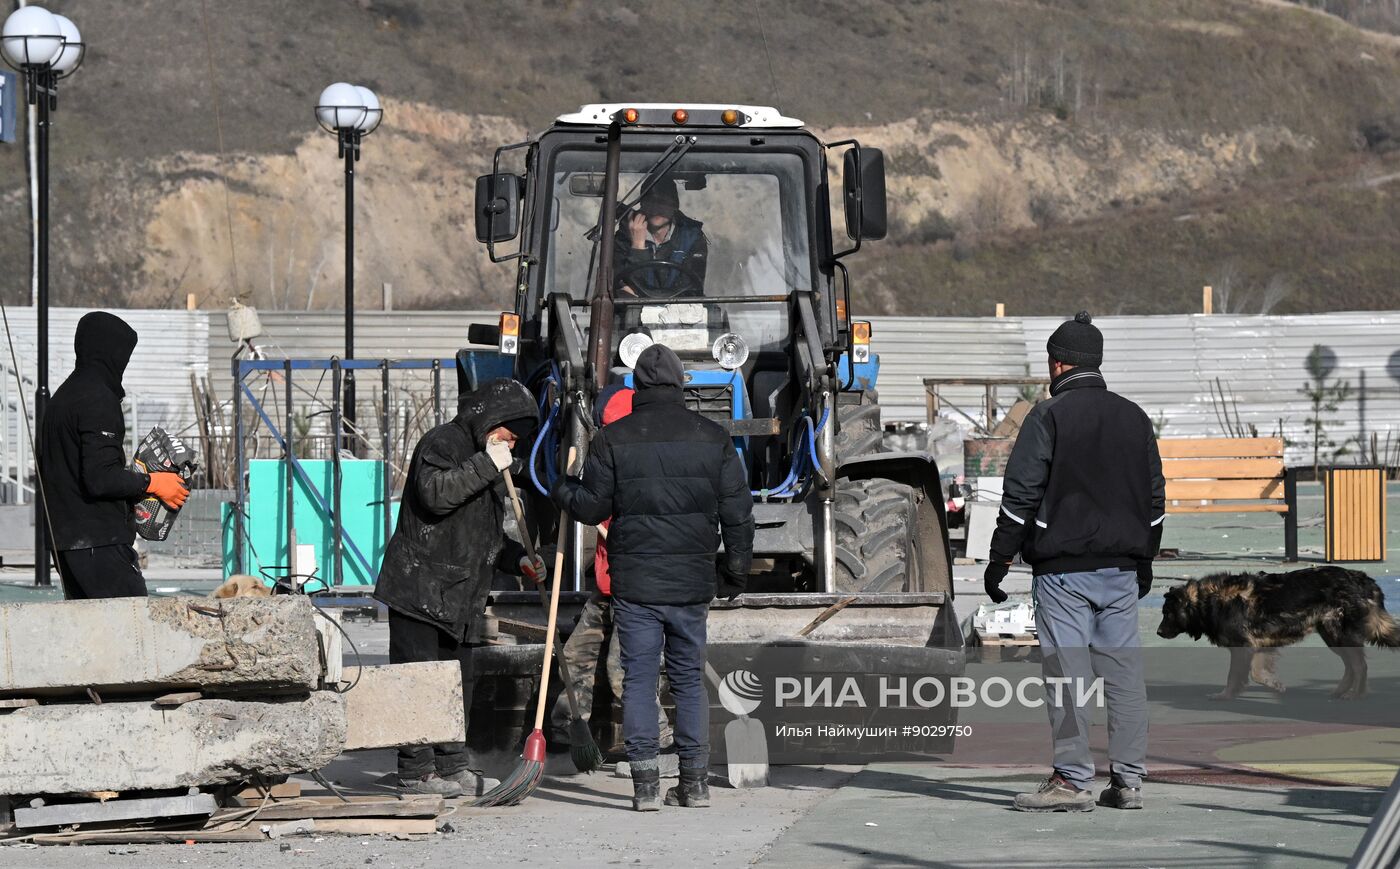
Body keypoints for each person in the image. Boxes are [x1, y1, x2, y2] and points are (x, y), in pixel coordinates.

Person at [552, 344, 753, 812]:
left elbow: (592, 507)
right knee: (686, 681)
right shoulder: (713, 437)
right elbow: (739, 515)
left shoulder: (613, 439)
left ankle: (645, 788)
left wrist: (562, 488)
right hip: (691, 584)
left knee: (639, 678)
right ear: (682, 384)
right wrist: (734, 573)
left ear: (636, 387)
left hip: (637, 584)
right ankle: (695, 784)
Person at [984, 311, 1165, 813]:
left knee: (1067, 674)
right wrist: (1143, 559)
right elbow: (1155, 499)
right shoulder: (1134, 417)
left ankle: (1071, 779)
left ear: (1057, 363)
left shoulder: (1048, 416)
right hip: (1123, 570)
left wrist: (999, 559)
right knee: (1124, 675)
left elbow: (1020, 496)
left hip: (1064, 571)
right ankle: (1128, 782)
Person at [374, 375, 540, 798]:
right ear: (489, 419)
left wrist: (517, 557)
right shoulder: (443, 443)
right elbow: (435, 494)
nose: (513, 441)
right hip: (419, 590)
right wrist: (490, 464)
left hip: (458, 597)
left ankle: (451, 766)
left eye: (518, 436)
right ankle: (415, 773)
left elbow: (481, 534)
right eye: (508, 430)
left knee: (453, 686)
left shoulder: (488, 461)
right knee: (418, 684)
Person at [544, 386, 677, 775]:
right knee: (573, 660)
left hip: (636, 589)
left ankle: (661, 745)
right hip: (605, 588)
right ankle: (567, 741)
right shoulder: (610, 458)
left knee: (625, 670)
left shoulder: (644, 464)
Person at [40, 311, 188, 599]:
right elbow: (100, 478)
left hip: (66, 542)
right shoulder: (98, 398)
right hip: (100, 544)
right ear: (110, 353)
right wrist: (155, 483)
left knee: (91, 636)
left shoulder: (62, 398)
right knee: (132, 632)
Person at [614, 179, 708, 297]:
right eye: (650, 202)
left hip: (680, 311)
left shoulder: (692, 238)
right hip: (634, 311)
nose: (656, 208)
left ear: (675, 206)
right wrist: (637, 247)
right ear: (642, 205)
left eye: (663, 202)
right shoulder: (623, 238)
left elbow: (692, 289)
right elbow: (622, 287)